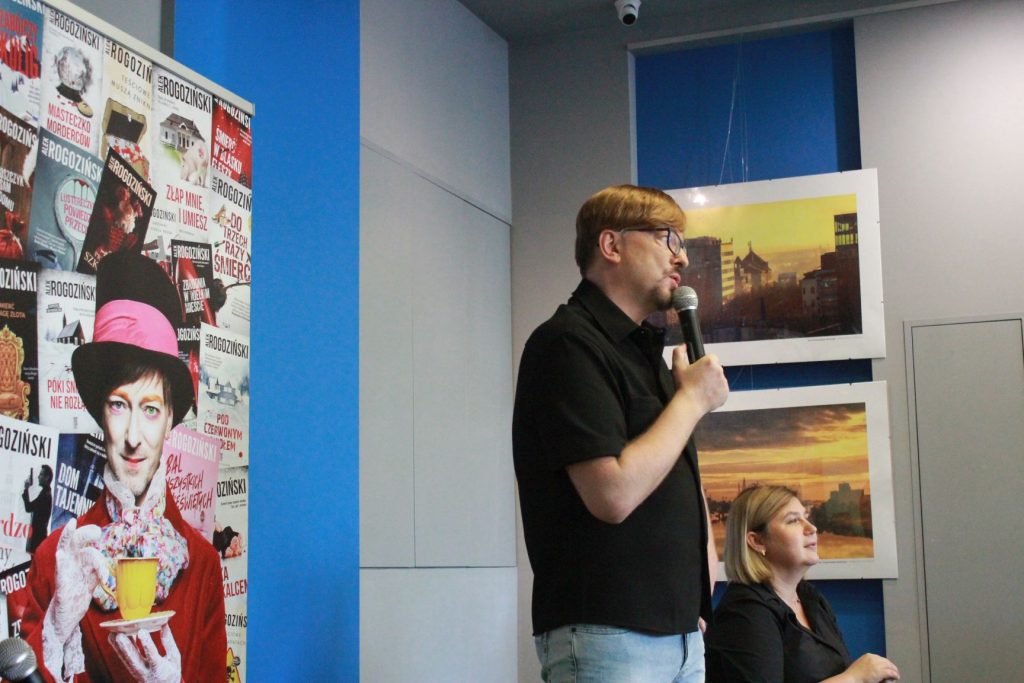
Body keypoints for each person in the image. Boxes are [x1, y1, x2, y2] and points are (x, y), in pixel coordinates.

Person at [513, 184, 730, 682]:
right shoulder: (566, 343)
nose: (682, 258)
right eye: (667, 237)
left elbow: (675, 476)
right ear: (611, 245)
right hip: (608, 634)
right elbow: (611, 494)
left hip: (680, 631)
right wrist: (692, 401)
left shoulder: (643, 352)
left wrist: (698, 585)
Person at [20, 251, 227, 682]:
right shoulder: (54, 558)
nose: (133, 436)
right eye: (119, 405)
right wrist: (55, 628)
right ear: (101, 413)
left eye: (150, 409)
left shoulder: (203, 565)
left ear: (170, 419)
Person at [705, 485, 900, 683]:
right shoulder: (745, 612)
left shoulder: (809, 597)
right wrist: (854, 678)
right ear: (757, 541)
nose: (812, 528)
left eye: (806, 517)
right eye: (793, 520)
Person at [23, 465, 54, 554]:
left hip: (37, 540)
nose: (38, 477)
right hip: (38, 539)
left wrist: (26, 489)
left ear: (47, 478)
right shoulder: (45, 493)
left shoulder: (45, 495)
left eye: (41, 474)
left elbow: (28, 507)